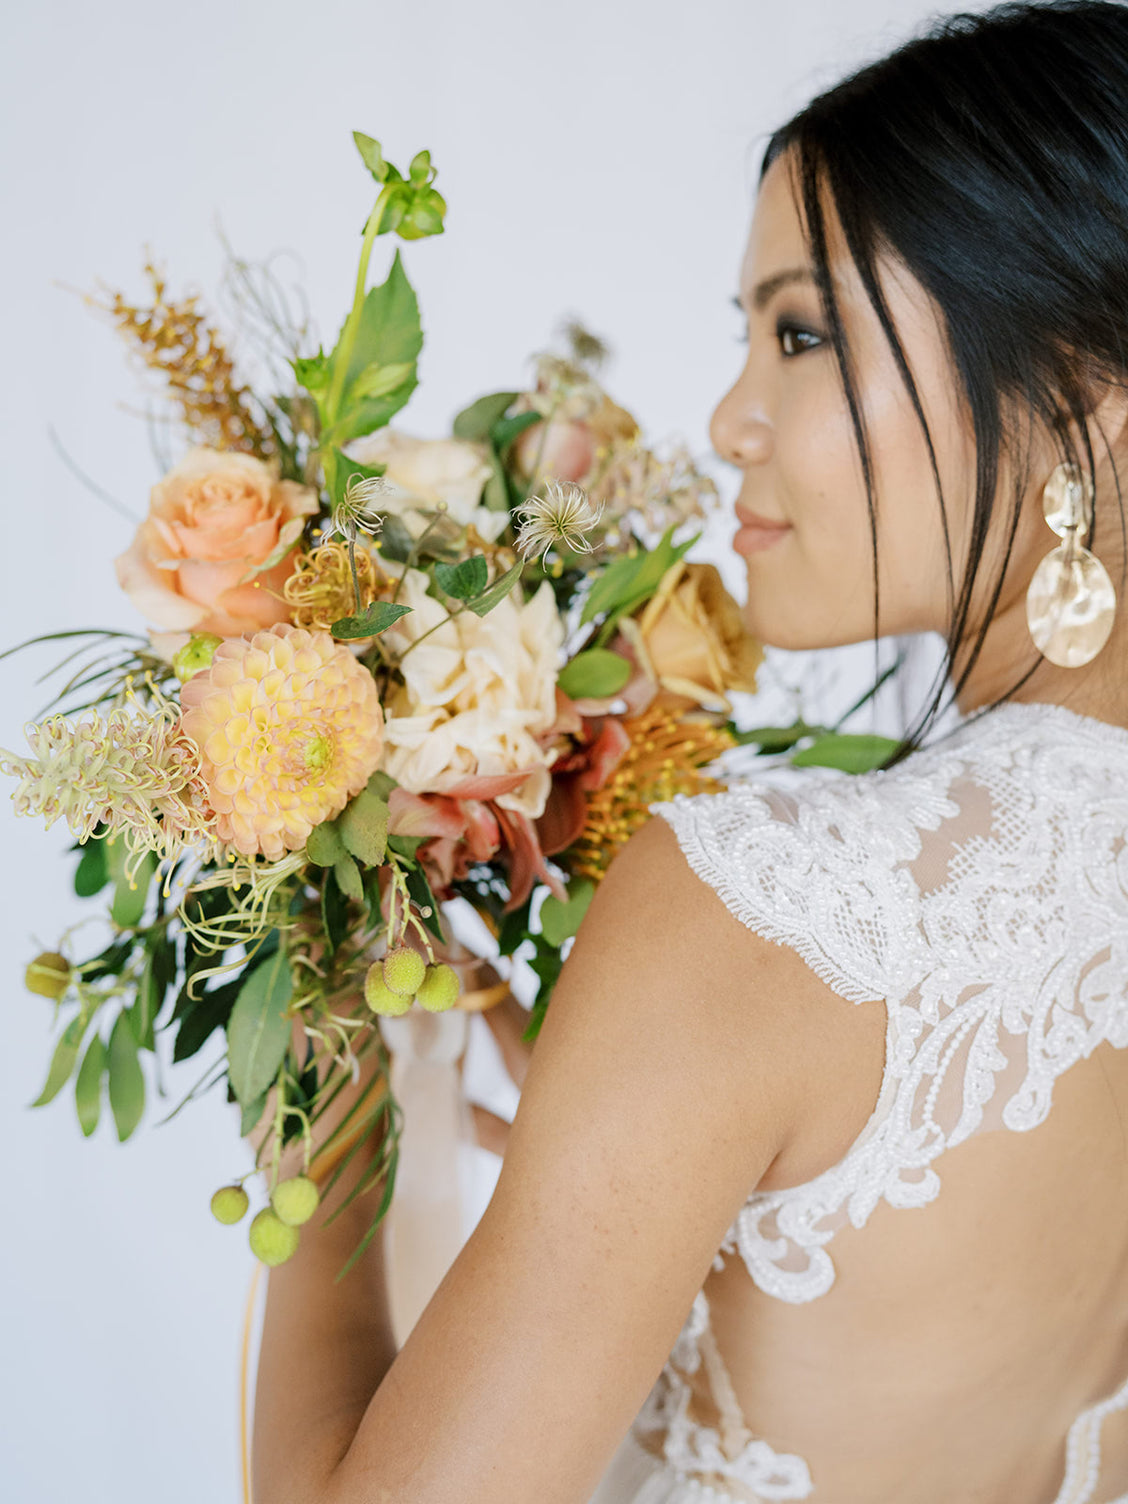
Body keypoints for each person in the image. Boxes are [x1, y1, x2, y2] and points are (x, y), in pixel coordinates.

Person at [249, 3, 1128, 1500]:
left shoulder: (763, 899)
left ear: (1066, 405)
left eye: (802, 334)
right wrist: (620, 1115)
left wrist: (326, 1101)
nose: (730, 419)